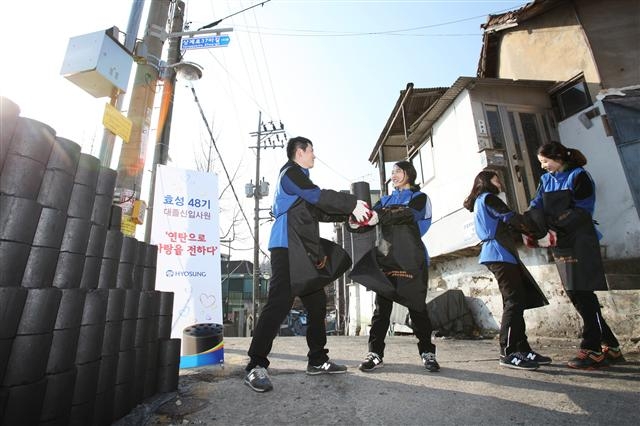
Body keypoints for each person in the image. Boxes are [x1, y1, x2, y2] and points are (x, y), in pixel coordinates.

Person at [244, 136, 371, 392]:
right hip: (286, 246)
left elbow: (321, 210)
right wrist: (352, 203)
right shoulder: (290, 174)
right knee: (279, 304)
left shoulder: (301, 179)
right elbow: (318, 196)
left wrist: (352, 215)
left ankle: (317, 360)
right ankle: (255, 365)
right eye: (311, 150)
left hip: (302, 249)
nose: (314, 154)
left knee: (316, 304)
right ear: (299, 152)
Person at [529, 141, 624, 369]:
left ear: (557, 157)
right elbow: (536, 204)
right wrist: (534, 223)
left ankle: (592, 349)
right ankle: (611, 347)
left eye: (545, 162)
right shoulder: (546, 180)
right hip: (560, 242)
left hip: (580, 239)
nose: (543, 167)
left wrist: (552, 224)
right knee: (575, 293)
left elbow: (583, 210)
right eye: (541, 163)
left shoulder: (580, 176)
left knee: (582, 292)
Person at [349, 161, 440, 372]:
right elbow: (368, 221)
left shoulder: (419, 198)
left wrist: (378, 216)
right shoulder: (385, 200)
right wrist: (355, 222)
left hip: (412, 259)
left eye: (398, 170)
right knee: (381, 310)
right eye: (392, 172)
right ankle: (375, 353)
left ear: (409, 173)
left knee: (417, 308)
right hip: (387, 259)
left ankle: (427, 352)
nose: (394, 175)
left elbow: (410, 215)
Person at [463, 170, 551, 371]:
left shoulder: (480, 201)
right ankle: (508, 352)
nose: (500, 183)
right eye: (496, 179)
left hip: (501, 253)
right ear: (485, 182)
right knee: (514, 302)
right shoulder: (489, 199)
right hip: (499, 253)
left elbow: (506, 224)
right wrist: (538, 231)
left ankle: (522, 348)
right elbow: (511, 218)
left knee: (517, 301)